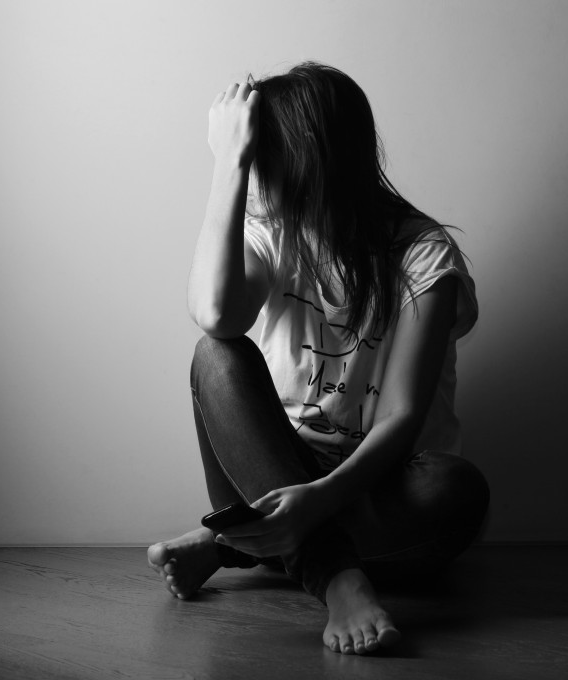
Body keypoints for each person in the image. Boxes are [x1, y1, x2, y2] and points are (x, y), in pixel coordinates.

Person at [147, 62, 489, 655]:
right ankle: (339, 579)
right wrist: (224, 164)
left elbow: (402, 420)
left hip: (376, 487)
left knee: (455, 489)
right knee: (216, 357)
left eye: (258, 159)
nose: (253, 176)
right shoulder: (273, 233)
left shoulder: (424, 254)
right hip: (270, 472)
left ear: (303, 164)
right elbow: (216, 316)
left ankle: (234, 545)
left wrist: (321, 498)